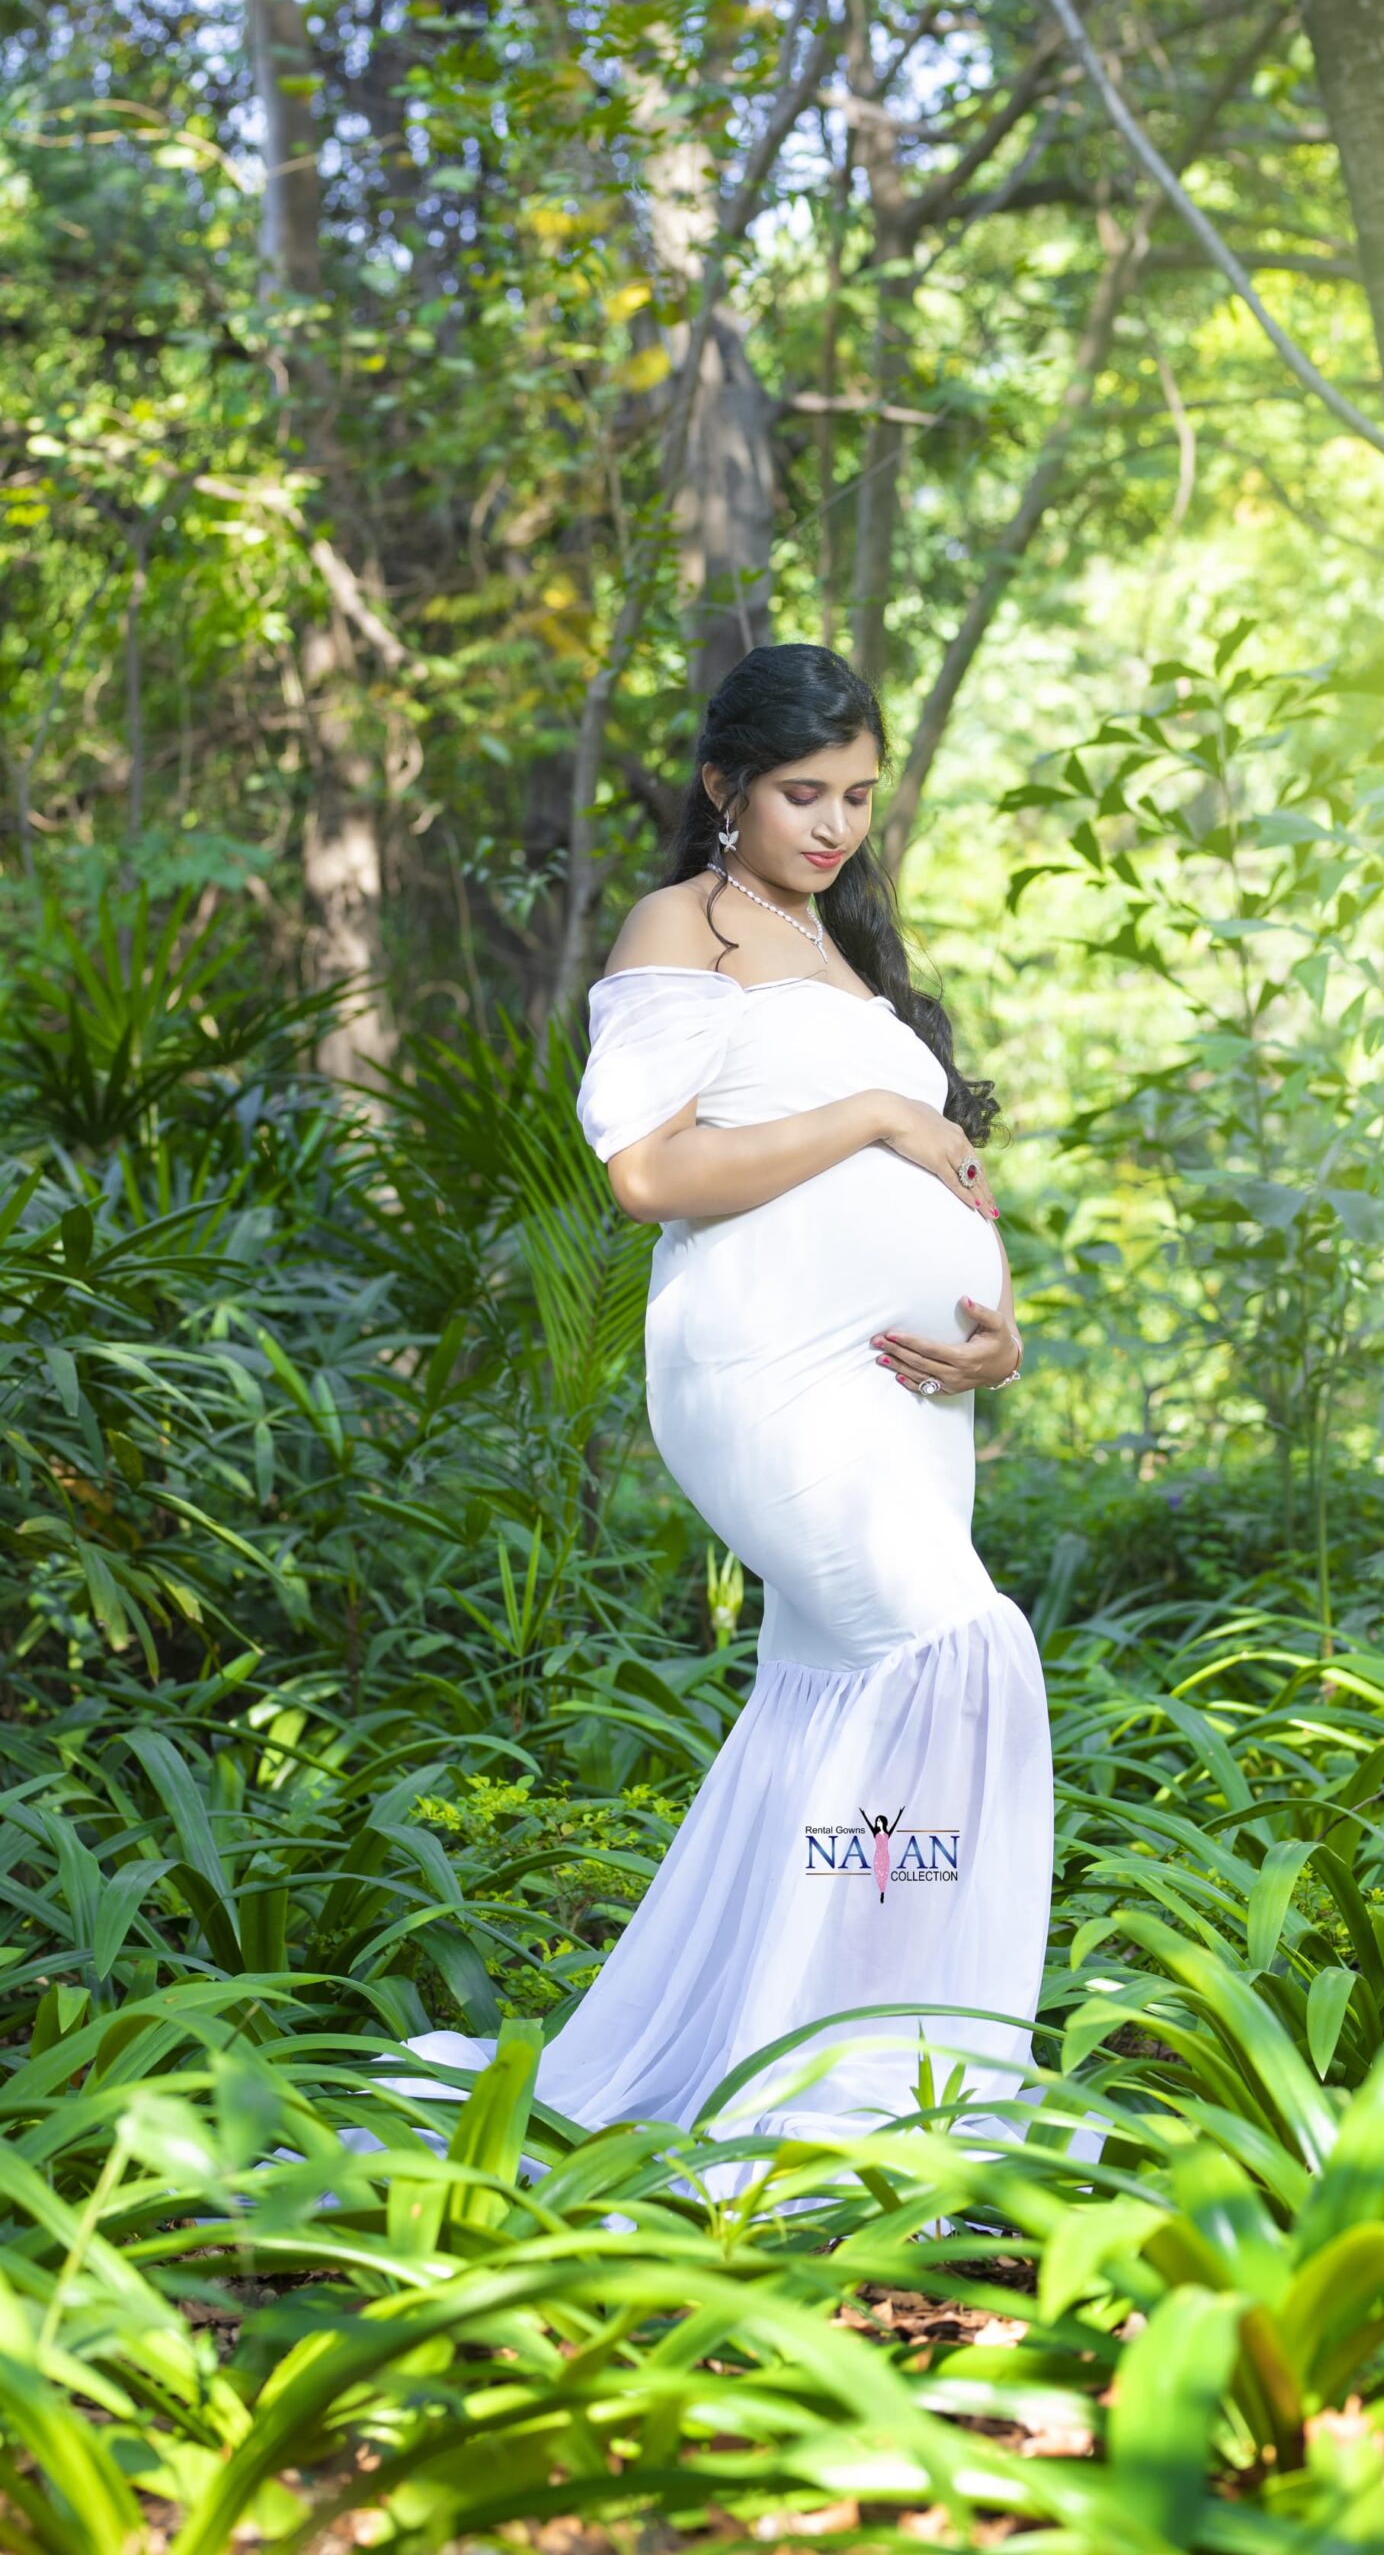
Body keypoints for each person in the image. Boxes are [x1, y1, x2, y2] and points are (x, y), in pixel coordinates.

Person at [358, 643, 1085, 2208]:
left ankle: (812, 2051)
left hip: (906, 1397)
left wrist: (1001, 1326)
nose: (834, 826)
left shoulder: (848, 948)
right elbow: (651, 1173)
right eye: (803, 793)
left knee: (843, 1689)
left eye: (858, 797)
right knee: (961, 1648)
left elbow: (952, 1174)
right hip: (768, 1367)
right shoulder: (682, 925)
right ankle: (880, 2075)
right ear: (723, 787)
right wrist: (881, 1114)